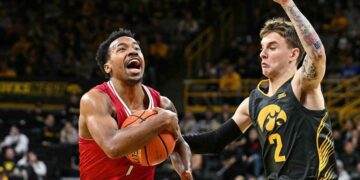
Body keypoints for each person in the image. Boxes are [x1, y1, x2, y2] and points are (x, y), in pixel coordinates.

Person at [184, 0, 338, 179]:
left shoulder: (302, 84)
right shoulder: (253, 101)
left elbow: (317, 54)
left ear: (294, 54)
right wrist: (169, 138)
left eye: (272, 47)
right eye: (262, 48)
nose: (262, 53)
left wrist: (288, 5)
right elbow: (215, 141)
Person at [78, 28, 192, 179]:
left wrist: (186, 170)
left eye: (137, 48)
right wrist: (161, 120)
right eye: (122, 49)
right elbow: (113, 147)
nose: (133, 52)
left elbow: (178, 143)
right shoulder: (96, 100)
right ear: (108, 67)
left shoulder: (163, 104)